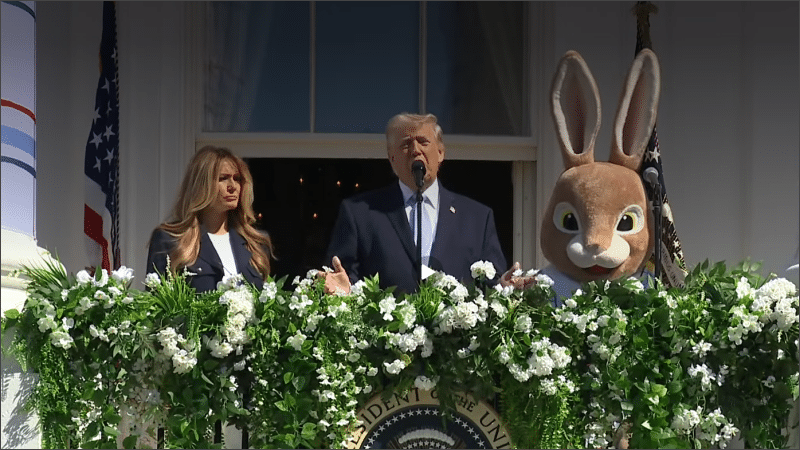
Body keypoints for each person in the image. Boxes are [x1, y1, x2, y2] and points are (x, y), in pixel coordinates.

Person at [322, 113, 531, 294]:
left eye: (423, 142)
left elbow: (491, 284)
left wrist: (504, 289)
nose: (415, 150)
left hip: (456, 338)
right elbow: (344, 278)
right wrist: (343, 290)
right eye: (405, 144)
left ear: (440, 153)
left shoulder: (476, 217)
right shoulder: (360, 214)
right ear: (391, 158)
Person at [146, 145, 274, 292]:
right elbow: (156, 305)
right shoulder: (170, 240)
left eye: (237, 179)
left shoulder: (256, 243)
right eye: (223, 178)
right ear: (201, 184)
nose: (232, 186)